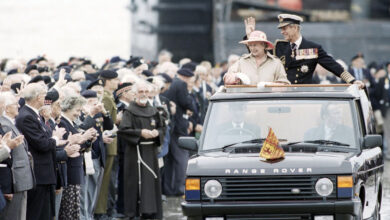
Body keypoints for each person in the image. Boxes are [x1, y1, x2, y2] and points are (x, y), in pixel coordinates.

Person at [244, 15, 364, 88]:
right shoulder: (279, 47)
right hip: (281, 96)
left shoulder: (313, 48)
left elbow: (333, 65)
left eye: (285, 28)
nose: (282, 32)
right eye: (281, 29)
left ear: (295, 28)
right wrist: (251, 36)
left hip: (302, 97)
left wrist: (352, 80)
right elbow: (258, 53)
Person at [15, 83, 65, 220]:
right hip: (38, 174)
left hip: (45, 174)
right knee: (37, 213)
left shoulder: (34, 115)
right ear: (37, 97)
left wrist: (53, 139)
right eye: (43, 95)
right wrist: (56, 138)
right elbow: (42, 144)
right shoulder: (27, 116)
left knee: (46, 213)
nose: (45, 98)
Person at [118, 81, 165, 219]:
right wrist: (140, 133)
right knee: (135, 182)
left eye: (146, 91)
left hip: (150, 151)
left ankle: (151, 212)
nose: (143, 94)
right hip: (135, 152)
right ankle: (134, 213)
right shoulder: (129, 111)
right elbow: (123, 131)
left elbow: (162, 128)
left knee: (151, 181)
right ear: (135, 94)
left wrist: (158, 133)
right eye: (140, 91)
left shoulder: (154, 110)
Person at [58, 94, 97, 219]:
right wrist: (84, 138)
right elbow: (68, 146)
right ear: (68, 108)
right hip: (69, 169)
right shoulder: (63, 123)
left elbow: (80, 145)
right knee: (68, 209)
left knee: (74, 208)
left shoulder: (71, 122)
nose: (79, 113)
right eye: (77, 110)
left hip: (75, 168)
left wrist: (88, 140)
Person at [0, 93, 34, 220]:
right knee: (13, 215)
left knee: (19, 214)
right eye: (15, 104)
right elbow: (6, 160)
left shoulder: (9, 123)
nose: (19, 106)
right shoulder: (5, 125)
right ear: (7, 108)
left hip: (20, 178)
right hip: (14, 179)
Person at [162, 68, 195, 196]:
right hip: (179, 127)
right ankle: (181, 187)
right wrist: (190, 106)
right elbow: (185, 101)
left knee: (171, 160)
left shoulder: (173, 84)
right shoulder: (180, 84)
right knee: (182, 158)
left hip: (173, 126)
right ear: (186, 77)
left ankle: (169, 189)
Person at [224, 30, 290, 85]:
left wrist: (269, 85)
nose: (252, 48)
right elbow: (227, 78)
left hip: (268, 99)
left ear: (264, 45)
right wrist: (234, 77)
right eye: (250, 45)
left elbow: (285, 85)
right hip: (246, 99)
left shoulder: (276, 63)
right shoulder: (242, 61)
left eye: (255, 45)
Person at [95, 70, 119, 218]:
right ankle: (100, 210)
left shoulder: (109, 97)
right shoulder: (106, 97)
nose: (118, 82)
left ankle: (102, 209)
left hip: (111, 142)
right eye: (115, 80)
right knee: (103, 182)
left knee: (106, 180)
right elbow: (103, 122)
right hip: (107, 142)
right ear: (108, 81)